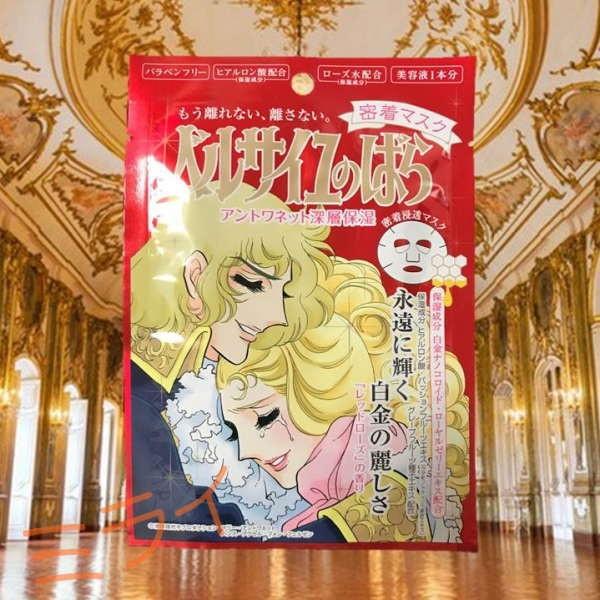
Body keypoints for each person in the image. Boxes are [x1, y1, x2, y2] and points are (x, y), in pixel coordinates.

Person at [130, 182, 337, 540]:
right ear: (195, 276)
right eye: (255, 284)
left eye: (282, 293)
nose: (277, 316)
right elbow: (179, 530)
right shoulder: (141, 403)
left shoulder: (174, 387)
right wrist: (343, 525)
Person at [217, 258, 414, 534]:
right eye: (235, 433)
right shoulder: (329, 497)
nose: (246, 452)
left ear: (324, 388)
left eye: (265, 418)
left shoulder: (389, 476)